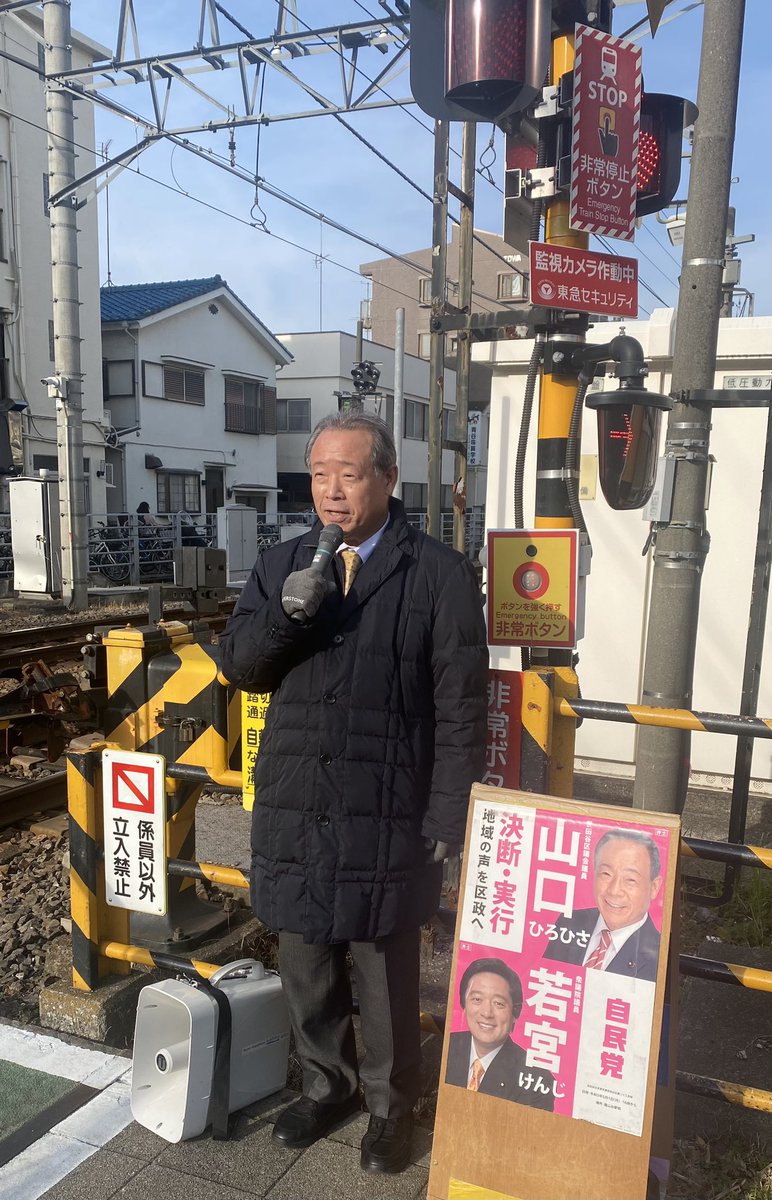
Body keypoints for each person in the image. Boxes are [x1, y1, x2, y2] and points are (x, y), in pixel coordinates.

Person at [219, 411, 488, 1174]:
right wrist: (287, 613)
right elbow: (240, 667)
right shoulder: (281, 564)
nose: (332, 491)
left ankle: (389, 1108)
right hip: (298, 800)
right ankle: (326, 1084)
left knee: (384, 971)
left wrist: (449, 812)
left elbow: (463, 705)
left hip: (389, 807)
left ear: (388, 478)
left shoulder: (436, 572)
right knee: (304, 961)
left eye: (350, 473)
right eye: (320, 475)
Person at [543, 829, 663, 981]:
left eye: (630, 880)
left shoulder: (659, 954)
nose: (614, 890)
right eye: (606, 874)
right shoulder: (569, 922)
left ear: (654, 887)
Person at [445, 958, 555, 1110]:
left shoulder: (537, 1078)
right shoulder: (447, 1047)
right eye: (477, 999)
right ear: (463, 1004)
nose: (486, 1013)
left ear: (515, 1012)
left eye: (499, 1003)